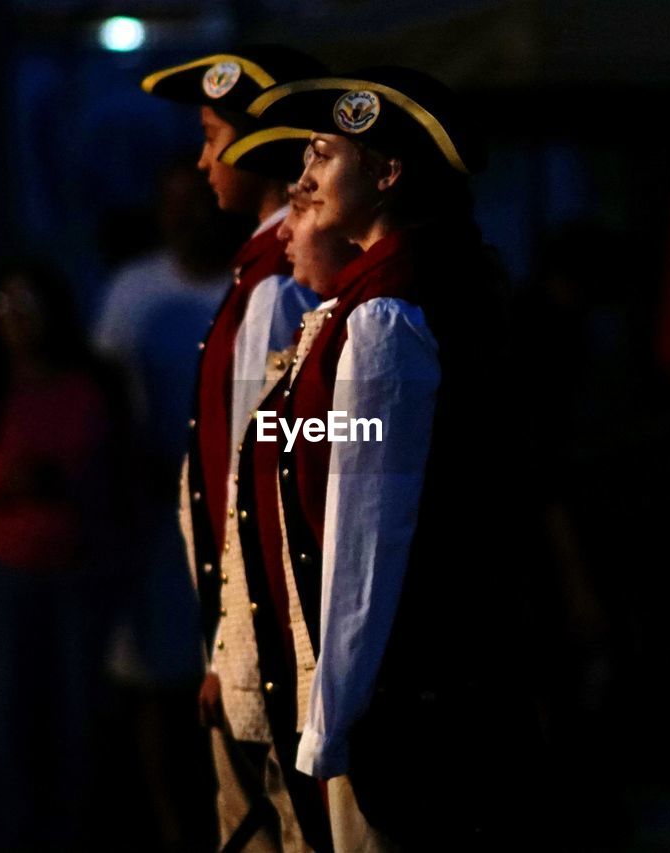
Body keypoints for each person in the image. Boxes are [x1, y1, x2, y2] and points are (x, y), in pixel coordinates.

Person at [232, 66, 542, 849]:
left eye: (324, 155)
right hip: (407, 682)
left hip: (397, 693)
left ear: (387, 173)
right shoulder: (390, 298)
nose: (302, 177)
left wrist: (330, 721)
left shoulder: (386, 319)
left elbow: (366, 541)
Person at [141, 45, 329, 850]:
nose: (202, 158)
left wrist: (235, 646)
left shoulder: (280, 285)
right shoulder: (261, 275)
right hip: (247, 620)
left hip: (267, 630)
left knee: (274, 828)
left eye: (215, 136)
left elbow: (263, 479)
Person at [0, 256, 131, 852]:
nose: (15, 320)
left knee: (74, 716)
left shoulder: (89, 386)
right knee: (5, 715)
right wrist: (1, 479)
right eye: (4, 308)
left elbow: (114, 474)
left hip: (75, 572)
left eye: (27, 306)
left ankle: (70, 833)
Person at [91, 156, 249, 852]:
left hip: (239, 522)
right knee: (158, 680)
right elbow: (106, 401)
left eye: (198, 201)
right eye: (172, 203)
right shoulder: (132, 292)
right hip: (157, 524)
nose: (185, 216)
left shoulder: (257, 287)